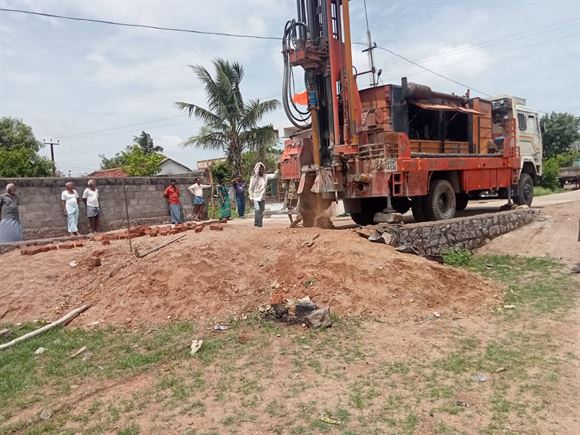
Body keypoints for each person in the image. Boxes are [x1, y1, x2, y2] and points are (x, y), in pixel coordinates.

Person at [248, 162, 279, 228]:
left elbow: (275, 176)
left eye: (262, 169)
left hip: (262, 197)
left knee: (261, 210)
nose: (261, 170)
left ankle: (260, 224)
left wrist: (278, 168)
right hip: (255, 197)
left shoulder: (266, 176)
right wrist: (251, 197)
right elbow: (250, 188)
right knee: (257, 210)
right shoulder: (253, 178)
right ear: (257, 170)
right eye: (260, 169)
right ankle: (257, 224)